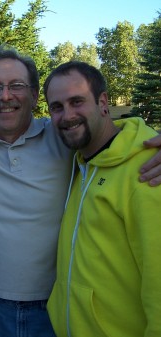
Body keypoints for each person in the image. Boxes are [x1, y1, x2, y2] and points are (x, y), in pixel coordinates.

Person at [0, 46, 161, 336]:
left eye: (17, 86)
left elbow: (112, 135)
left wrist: (148, 141)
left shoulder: (64, 137)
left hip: (54, 305)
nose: (5, 95)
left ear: (34, 97)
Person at [43, 61, 161, 336]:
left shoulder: (146, 173)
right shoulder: (79, 164)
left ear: (103, 102)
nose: (67, 115)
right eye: (57, 107)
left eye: (77, 101)